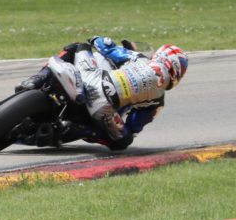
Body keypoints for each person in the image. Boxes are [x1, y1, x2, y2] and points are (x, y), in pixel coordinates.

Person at [17, 37, 188, 148]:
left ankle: (38, 78)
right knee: (123, 142)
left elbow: (108, 49)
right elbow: (134, 126)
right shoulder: (158, 101)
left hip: (90, 78)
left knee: (78, 46)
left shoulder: (139, 58)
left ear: (158, 56)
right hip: (104, 109)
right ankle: (80, 130)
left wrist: (97, 39)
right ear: (176, 75)